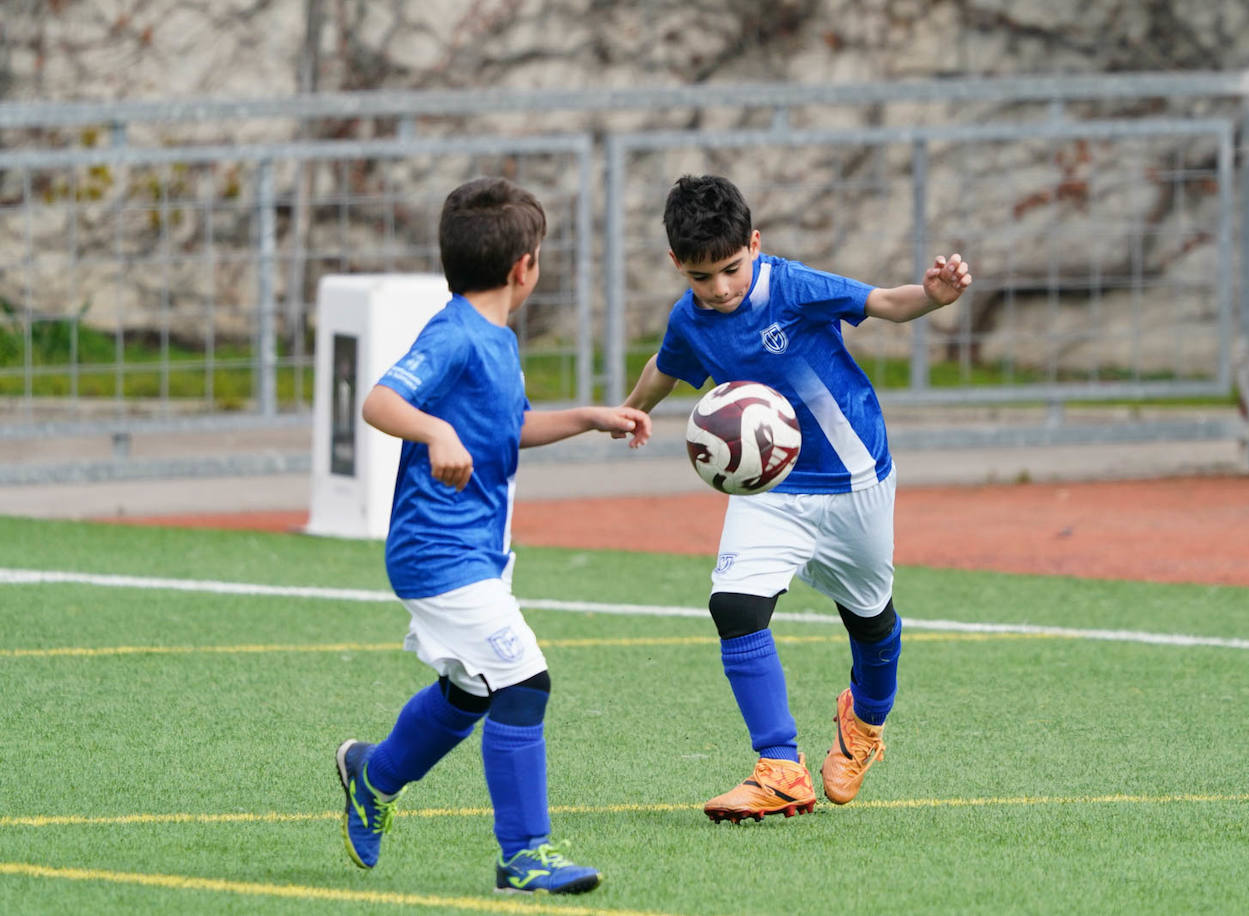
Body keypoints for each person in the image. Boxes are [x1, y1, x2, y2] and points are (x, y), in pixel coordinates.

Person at [620, 174, 972, 823]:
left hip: (853, 476)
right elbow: (665, 364)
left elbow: (884, 303)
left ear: (753, 244)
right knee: (734, 603)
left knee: (869, 618)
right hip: (771, 486)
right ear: (678, 266)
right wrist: (631, 410)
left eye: (730, 269)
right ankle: (780, 767)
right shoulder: (690, 319)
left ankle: (864, 724)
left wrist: (933, 296)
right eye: (702, 277)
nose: (720, 289)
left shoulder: (791, 287)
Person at [336, 176, 650, 893]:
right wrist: (435, 429)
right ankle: (524, 854)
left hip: (474, 550)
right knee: (524, 682)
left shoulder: (496, 341)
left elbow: (508, 430)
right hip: (436, 552)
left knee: (472, 691)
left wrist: (588, 418)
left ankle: (372, 776)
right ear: (524, 268)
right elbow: (380, 400)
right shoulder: (453, 335)